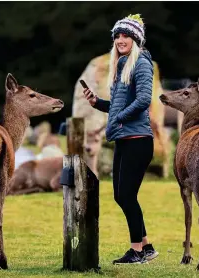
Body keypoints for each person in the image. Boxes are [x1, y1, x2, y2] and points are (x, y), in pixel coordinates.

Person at [82, 14, 158, 264]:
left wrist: (120, 118)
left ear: (135, 39)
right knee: (121, 195)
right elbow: (117, 105)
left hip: (138, 139)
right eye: (117, 35)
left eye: (126, 35)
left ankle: (136, 251)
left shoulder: (142, 63)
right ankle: (146, 248)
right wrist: (97, 103)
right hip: (125, 138)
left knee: (125, 195)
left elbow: (144, 100)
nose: (120, 39)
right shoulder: (123, 65)